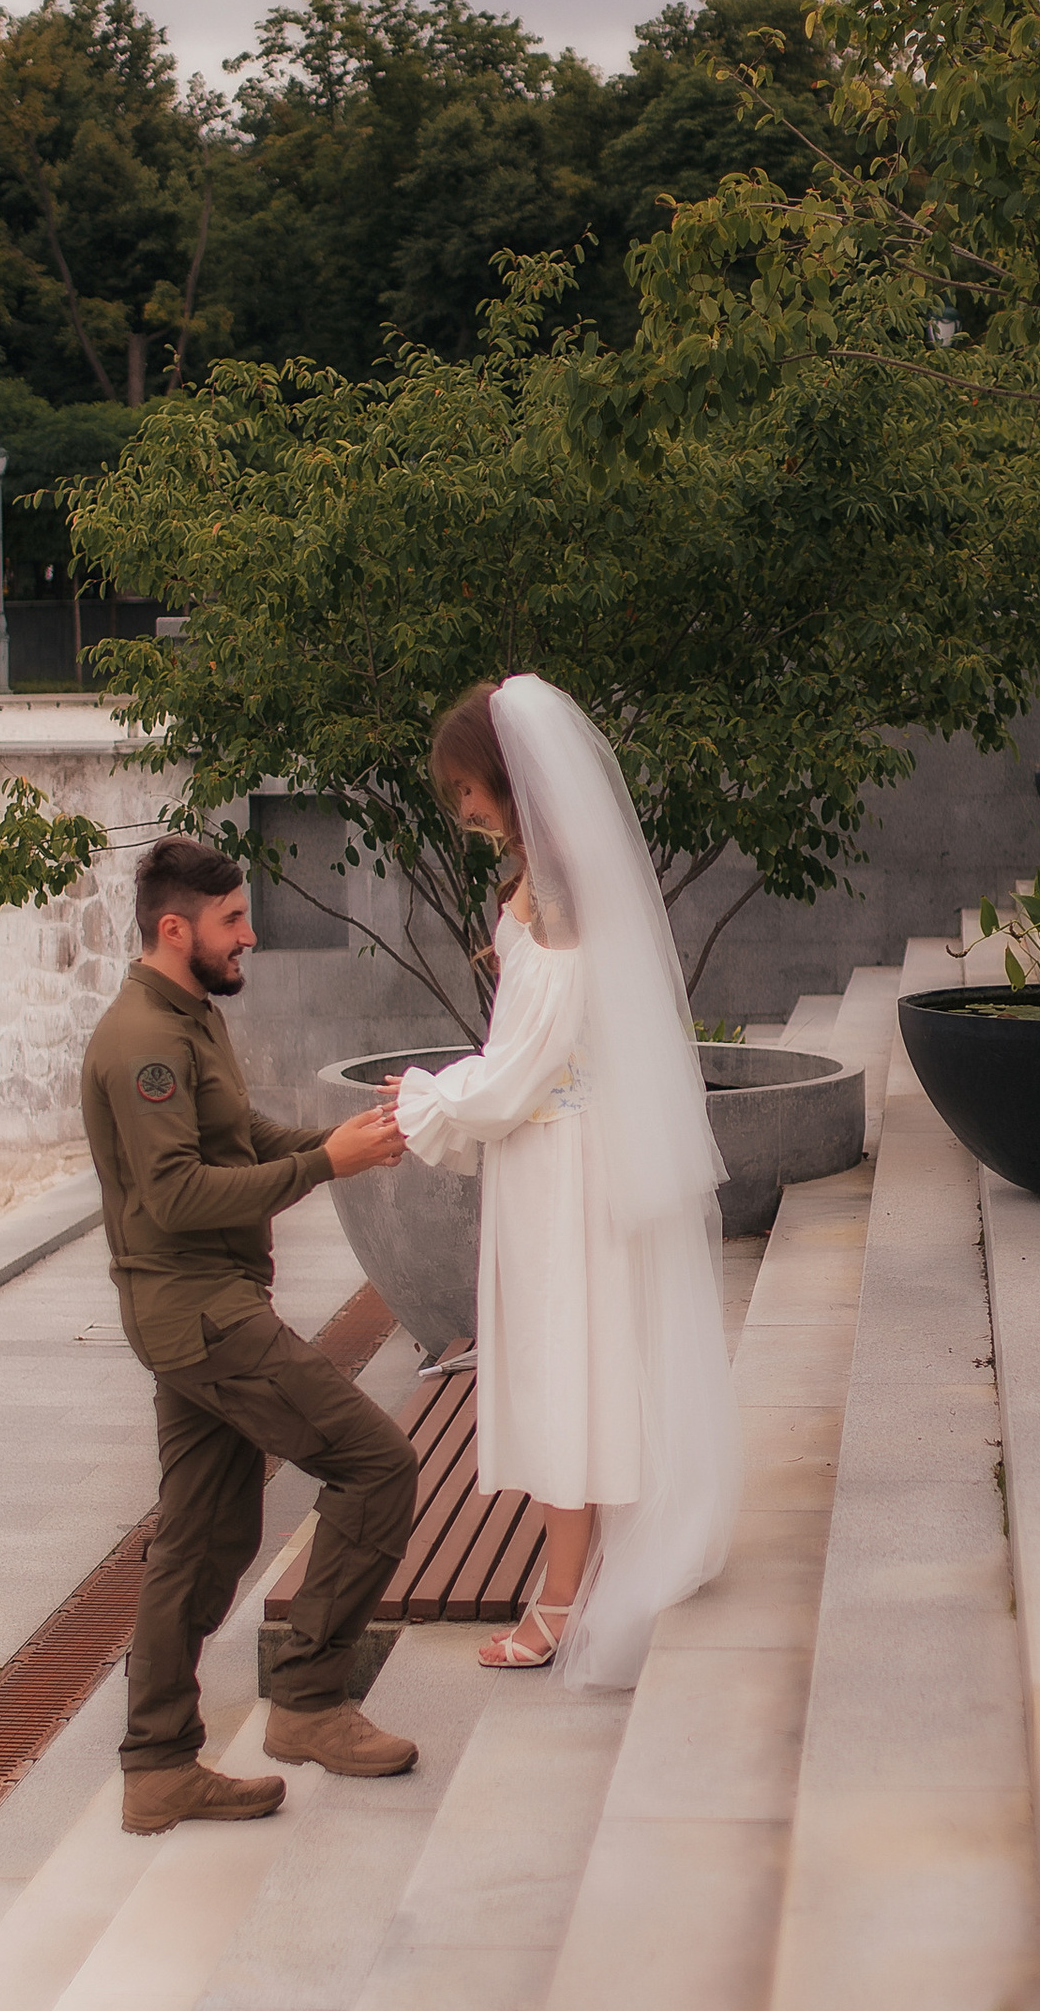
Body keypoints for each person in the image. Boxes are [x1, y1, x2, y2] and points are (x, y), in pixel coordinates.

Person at [396, 675, 740, 1687]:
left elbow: (520, 1070)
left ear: (506, 780)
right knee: (583, 1359)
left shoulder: (554, 896)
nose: (461, 810)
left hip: (561, 1162)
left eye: (467, 790)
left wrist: (422, 1102)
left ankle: (556, 1601)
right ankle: (581, 1573)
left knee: (569, 1367)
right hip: (564, 1152)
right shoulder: (549, 883)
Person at [82, 835, 422, 1832]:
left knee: (201, 1537)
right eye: (233, 920)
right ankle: (310, 1702)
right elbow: (180, 1194)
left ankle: (157, 1766)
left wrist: (343, 1137)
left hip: (204, 1309)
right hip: (202, 1317)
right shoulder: (144, 1040)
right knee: (378, 1465)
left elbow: (242, 1138)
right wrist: (329, 1169)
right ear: (175, 929)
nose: (252, 934)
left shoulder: (188, 1019)